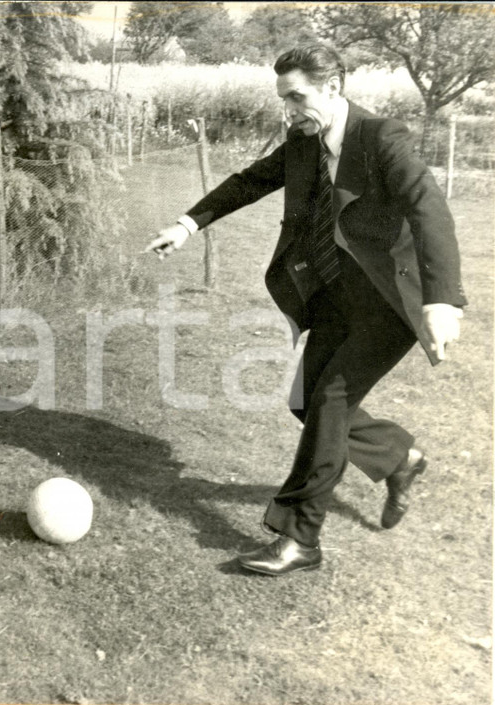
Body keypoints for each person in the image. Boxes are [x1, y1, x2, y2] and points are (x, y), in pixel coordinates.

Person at [144, 44, 466, 576]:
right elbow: (250, 181)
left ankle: (299, 539)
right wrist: (187, 224)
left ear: (334, 86)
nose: (289, 111)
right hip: (336, 296)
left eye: (297, 97)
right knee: (305, 403)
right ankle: (398, 458)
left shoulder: (381, 138)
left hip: (390, 302)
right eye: (283, 100)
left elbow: (431, 213)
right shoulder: (302, 141)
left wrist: (442, 300)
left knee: (331, 402)